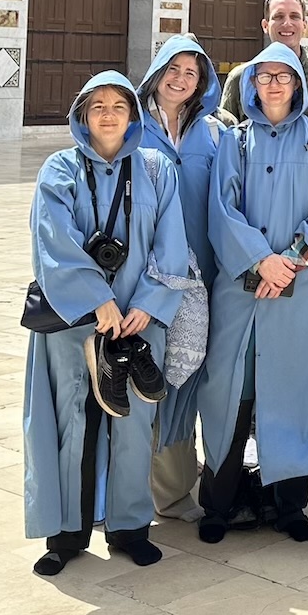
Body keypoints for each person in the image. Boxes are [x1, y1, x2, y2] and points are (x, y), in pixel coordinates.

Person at [22, 72, 193, 574]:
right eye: (98, 106)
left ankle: (129, 527)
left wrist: (148, 303)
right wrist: (98, 301)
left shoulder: (156, 168)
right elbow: (52, 240)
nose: (110, 114)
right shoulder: (60, 170)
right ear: (82, 114)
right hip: (76, 321)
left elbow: (172, 240)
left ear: (133, 115)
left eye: (119, 104)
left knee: (135, 423)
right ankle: (67, 535)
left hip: (139, 322)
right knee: (73, 420)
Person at [198, 43, 308, 544]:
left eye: (284, 76)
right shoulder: (234, 143)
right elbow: (222, 210)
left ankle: (290, 506)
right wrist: (262, 259)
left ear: (298, 84)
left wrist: (291, 263)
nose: (275, 85)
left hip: (301, 292)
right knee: (230, 396)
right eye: (265, 76)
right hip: (241, 293)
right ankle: (218, 505)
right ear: (251, 84)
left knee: (291, 393)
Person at [137, 35, 230, 524]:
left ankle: (175, 485)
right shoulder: (131, 125)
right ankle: (144, 490)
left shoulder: (213, 133)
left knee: (190, 373)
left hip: (205, 272)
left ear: (202, 84)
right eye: (172, 69)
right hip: (148, 276)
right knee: (148, 373)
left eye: (191, 73)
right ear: (157, 71)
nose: (180, 79)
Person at [220, 0, 308, 123]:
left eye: (294, 16)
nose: (287, 23)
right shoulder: (240, 77)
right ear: (265, 26)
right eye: (278, 17)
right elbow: (226, 130)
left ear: (305, 25)